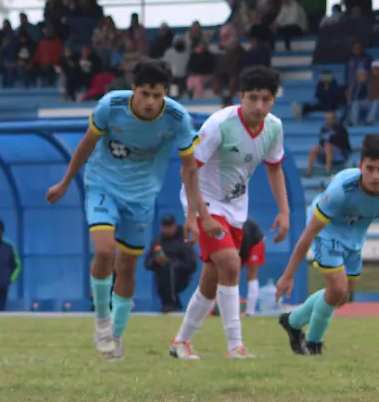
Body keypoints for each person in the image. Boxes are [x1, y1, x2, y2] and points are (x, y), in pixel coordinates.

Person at [45, 59, 205, 361]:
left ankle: (116, 336)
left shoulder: (176, 118)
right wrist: (65, 182)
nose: (151, 102)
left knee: (128, 266)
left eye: (158, 95)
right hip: (102, 186)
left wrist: (192, 215)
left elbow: (190, 168)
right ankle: (102, 321)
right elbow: (86, 144)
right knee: (105, 250)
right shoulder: (111, 105)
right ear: (133, 89)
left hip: (141, 197)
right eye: (145, 93)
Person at [170, 66, 291, 360]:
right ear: (241, 96)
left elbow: (274, 168)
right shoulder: (220, 124)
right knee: (231, 263)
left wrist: (284, 210)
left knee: (212, 279)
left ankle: (181, 342)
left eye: (266, 99)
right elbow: (189, 170)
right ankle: (235, 346)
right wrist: (198, 216)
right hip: (203, 200)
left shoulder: (274, 127)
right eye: (253, 98)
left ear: (274, 100)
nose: (259, 106)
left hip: (235, 207)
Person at [276, 134, 379, 355]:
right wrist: (288, 275)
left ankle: (292, 321)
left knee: (342, 297)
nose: (375, 176)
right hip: (327, 231)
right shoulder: (341, 190)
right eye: (370, 168)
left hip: (355, 234)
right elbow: (308, 235)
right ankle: (314, 344)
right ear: (360, 166)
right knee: (336, 289)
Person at [145, 214, 197, 313]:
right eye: (165, 227)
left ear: (175, 226)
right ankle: (169, 303)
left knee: (169, 267)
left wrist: (173, 263)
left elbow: (192, 264)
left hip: (181, 276)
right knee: (163, 269)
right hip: (162, 277)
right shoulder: (157, 241)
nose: (167, 230)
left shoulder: (183, 241)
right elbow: (147, 264)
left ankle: (171, 303)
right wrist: (156, 262)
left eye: (170, 227)